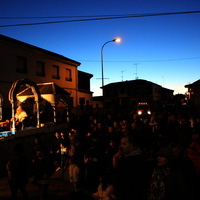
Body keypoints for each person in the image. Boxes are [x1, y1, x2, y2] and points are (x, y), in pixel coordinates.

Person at [112, 134, 148, 200]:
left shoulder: (137, 160)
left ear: (131, 145)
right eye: (121, 144)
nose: (121, 146)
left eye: (124, 144)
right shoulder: (124, 157)